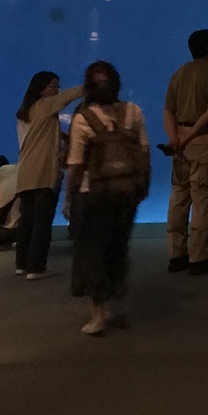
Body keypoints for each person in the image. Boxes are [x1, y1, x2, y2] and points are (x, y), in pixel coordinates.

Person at [63, 61, 151, 336]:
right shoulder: (133, 112)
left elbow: (76, 164)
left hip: (94, 195)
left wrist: (68, 198)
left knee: (93, 252)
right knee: (118, 248)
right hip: (126, 192)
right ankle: (117, 304)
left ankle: (97, 313)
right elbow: (144, 151)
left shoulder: (82, 118)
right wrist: (142, 187)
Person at [163, 29, 208, 276]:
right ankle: (199, 257)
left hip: (178, 141)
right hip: (203, 141)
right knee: (203, 199)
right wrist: (190, 137)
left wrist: (175, 139)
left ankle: (176, 254)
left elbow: (168, 110)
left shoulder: (179, 73)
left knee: (179, 197)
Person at [14, 70, 84, 279]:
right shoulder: (46, 105)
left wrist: (61, 136)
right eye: (54, 86)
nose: (57, 90)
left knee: (26, 220)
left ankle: (22, 264)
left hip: (25, 172)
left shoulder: (25, 113)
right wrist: (91, 83)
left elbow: (37, 138)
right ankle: (36, 267)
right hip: (43, 172)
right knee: (42, 222)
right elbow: (69, 96)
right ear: (42, 89)